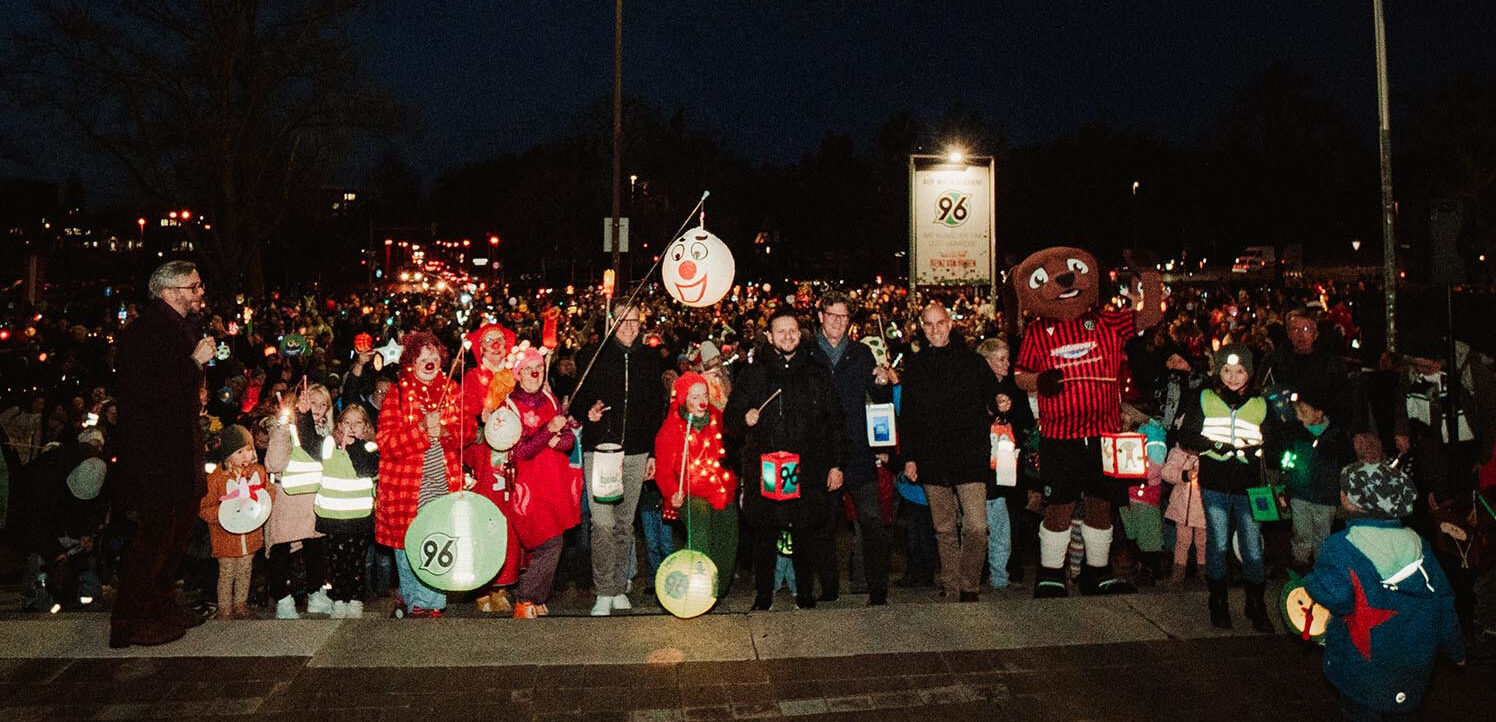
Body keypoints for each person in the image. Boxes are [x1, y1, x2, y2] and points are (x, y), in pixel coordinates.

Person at [1304, 452, 1464, 720]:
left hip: (1361, 666)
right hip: (1412, 663)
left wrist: (1310, 582)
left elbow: (1338, 597)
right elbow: (1444, 603)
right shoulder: (1419, 545)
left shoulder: (1342, 545)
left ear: (1354, 500)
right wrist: (1456, 650)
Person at [110, 260, 217, 648]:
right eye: (194, 286)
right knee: (155, 535)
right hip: (155, 453)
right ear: (170, 292)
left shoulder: (177, 328)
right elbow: (146, 391)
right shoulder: (145, 333)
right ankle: (129, 620)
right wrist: (193, 365)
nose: (200, 293)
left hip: (178, 445)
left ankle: (159, 602)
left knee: (177, 532)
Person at [725, 307, 846, 610]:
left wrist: (835, 464)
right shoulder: (754, 374)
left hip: (806, 466)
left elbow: (835, 422)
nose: (788, 336)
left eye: (792, 330)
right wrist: (744, 419)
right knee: (764, 533)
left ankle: (805, 593)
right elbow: (729, 421)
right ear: (769, 336)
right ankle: (763, 595)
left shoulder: (816, 372)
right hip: (765, 465)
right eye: (781, 331)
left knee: (805, 532)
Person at [1393, 328, 1496, 635]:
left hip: (1465, 459)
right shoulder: (1411, 372)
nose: (1420, 371)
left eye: (1426, 366)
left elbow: (1491, 415)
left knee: (1465, 533)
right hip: (1429, 458)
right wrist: (1402, 430)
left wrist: (1484, 455)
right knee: (1435, 527)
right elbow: (1402, 404)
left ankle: (1467, 607)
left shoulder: (1471, 371)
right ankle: (1441, 600)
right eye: (1416, 366)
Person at [571, 301, 664, 616]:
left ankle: (620, 584)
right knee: (602, 522)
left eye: (635, 320)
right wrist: (589, 411)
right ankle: (604, 589)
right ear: (611, 321)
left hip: (637, 451)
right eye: (623, 320)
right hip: (601, 451)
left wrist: (651, 451)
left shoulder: (650, 359)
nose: (630, 326)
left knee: (625, 522)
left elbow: (656, 409)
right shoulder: (593, 355)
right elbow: (575, 399)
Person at [804, 290, 898, 605]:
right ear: (820, 316)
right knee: (823, 525)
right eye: (832, 315)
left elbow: (879, 402)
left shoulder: (861, 354)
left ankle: (877, 589)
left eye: (844, 316)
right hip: (821, 452)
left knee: (871, 520)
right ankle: (829, 588)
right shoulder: (806, 352)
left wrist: (883, 381)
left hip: (858, 450)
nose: (838, 322)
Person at [901, 302, 996, 601]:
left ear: (950, 323)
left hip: (969, 456)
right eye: (928, 325)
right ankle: (952, 586)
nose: (935, 330)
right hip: (931, 457)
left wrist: (1002, 401)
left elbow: (993, 394)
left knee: (977, 527)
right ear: (922, 328)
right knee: (943, 529)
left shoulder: (973, 362)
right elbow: (908, 416)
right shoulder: (915, 366)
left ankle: (970, 583)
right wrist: (910, 457)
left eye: (939, 323)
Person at [1178, 344, 1275, 632]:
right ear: (1219, 371)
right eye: (1227, 370)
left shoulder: (1261, 403)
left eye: (1240, 371)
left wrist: (1261, 446)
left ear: (1250, 373)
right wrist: (1214, 444)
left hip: (1249, 486)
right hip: (1216, 483)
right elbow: (1187, 435)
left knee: (1253, 548)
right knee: (1218, 545)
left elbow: (1275, 439)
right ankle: (1217, 602)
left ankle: (1255, 603)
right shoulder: (1205, 398)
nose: (1233, 377)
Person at [374, 332, 465, 618]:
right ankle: (417, 599)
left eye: (435, 357)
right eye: (423, 358)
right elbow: (386, 444)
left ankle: (429, 603)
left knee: (437, 541)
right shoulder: (397, 394)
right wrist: (421, 430)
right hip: (406, 487)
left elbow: (466, 435)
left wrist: (448, 433)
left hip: (444, 482)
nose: (430, 363)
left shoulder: (453, 390)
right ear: (410, 363)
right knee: (408, 545)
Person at [504, 345, 582, 618]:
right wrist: (547, 432)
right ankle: (525, 596)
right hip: (530, 487)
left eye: (539, 368)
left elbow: (569, 441)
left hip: (554, 484)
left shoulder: (550, 400)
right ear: (518, 373)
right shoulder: (510, 405)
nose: (535, 373)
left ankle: (534, 599)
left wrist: (552, 438)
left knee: (554, 541)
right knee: (550, 543)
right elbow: (521, 451)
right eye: (529, 369)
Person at [655, 372, 739, 598]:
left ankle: (716, 592)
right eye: (694, 397)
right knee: (700, 534)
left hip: (722, 490)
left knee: (728, 542)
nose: (701, 401)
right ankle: (694, 589)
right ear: (683, 399)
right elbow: (663, 471)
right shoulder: (672, 428)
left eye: (704, 395)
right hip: (692, 492)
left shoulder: (716, 418)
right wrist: (672, 492)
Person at [460, 323, 521, 614]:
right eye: (489, 340)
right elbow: (464, 419)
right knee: (484, 520)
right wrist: (479, 419)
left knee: (510, 521)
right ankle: (482, 587)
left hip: (512, 460)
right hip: (484, 461)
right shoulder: (472, 377)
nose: (495, 345)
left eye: (500, 339)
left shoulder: (516, 375)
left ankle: (503, 586)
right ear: (480, 347)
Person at [263, 384, 333, 619]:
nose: (318, 408)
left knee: (316, 549)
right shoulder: (286, 427)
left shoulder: (325, 433)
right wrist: (284, 429)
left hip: (313, 498)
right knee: (281, 549)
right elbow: (273, 464)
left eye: (324, 404)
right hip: (288, 498)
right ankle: (282, 599)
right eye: (314, 402)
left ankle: (316, 595)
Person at [977, 335, 1036, 590]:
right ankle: (979, 572)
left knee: (1009, 519)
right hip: (984, 466)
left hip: (1010, 463)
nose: (1007, 363)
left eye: (1008, 358)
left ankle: (1006, 571)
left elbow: (1027, 422)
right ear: (986, 361)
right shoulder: (977, 387)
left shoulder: (1014, 388)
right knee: (983, 522)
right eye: (1001, 359)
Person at [1274, 386, 1350, 573]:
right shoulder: (1296, 434)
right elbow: (1286, 458)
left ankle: (1321, 566)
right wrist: (1288, 474)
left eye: (1304, 411)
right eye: (1298, 411)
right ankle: (1300, 562)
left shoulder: (1335, 436)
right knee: (1301, 531)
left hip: (1325, 496)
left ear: (1319, 412)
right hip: (1300, 492)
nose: (1299, 416)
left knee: (1322, 533)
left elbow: (1343, 465)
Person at [314, 405, 379, 618]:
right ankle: (338, 599)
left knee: (356, 562)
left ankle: (355, 599)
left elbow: (367, 469)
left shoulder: (369, 447)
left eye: (358, 422)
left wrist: (354, 446)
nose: (351, 427)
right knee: (335, 562)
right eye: (347, 422)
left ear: (366, 427)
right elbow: (311, 447)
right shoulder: (328, 445)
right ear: (339, 425)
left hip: (359, 519)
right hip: (333, 517)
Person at [199, 425, 265, 620]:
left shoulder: (257, 472)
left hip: (249, 538)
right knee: (227, 573)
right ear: (228, 455)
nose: (246, 455)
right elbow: (204, 508)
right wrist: (223, 513)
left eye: (248, 449)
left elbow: (266, 494)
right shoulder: (217, 478)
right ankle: (225, 608)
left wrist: (261, 501)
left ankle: (240, 604)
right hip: (225, 539)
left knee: (245, 571)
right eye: (239, 451)